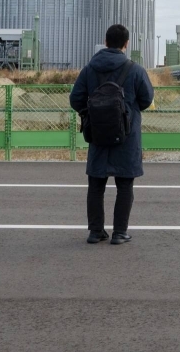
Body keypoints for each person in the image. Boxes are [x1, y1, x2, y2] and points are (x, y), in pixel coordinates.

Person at [70, 24, 154, 245]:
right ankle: (119, 233)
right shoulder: (135, 70)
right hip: (126, 135)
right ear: (126, 44)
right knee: (124, 185)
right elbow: (146, 99)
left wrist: (91, 113)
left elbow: (75, 98)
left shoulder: (90, 69)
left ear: (105, 42)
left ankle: (95, 231)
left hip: (97, 133)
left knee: (96, 185)